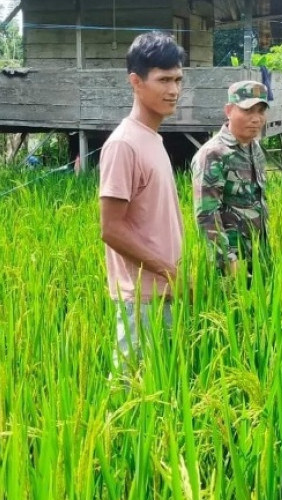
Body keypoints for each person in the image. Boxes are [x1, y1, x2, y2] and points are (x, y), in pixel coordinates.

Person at [98, 31, 185, 374]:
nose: (174, 90)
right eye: (163, 80)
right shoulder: (124, 145)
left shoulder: (153, 139)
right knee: (134, 399)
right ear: (136, 81)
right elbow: (111, 229)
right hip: (142, 300)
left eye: (178, 79)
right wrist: (172, 272)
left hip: (166, 293)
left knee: (163, 394)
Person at [191, 80, 270, 278]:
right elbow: (206, 215)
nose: (256, 119)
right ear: (229, 110)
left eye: (260, 111)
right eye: (247, 111)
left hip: (258, 255)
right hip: (230, 264)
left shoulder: (255, 149)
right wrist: (228, 260)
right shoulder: (213, 154)